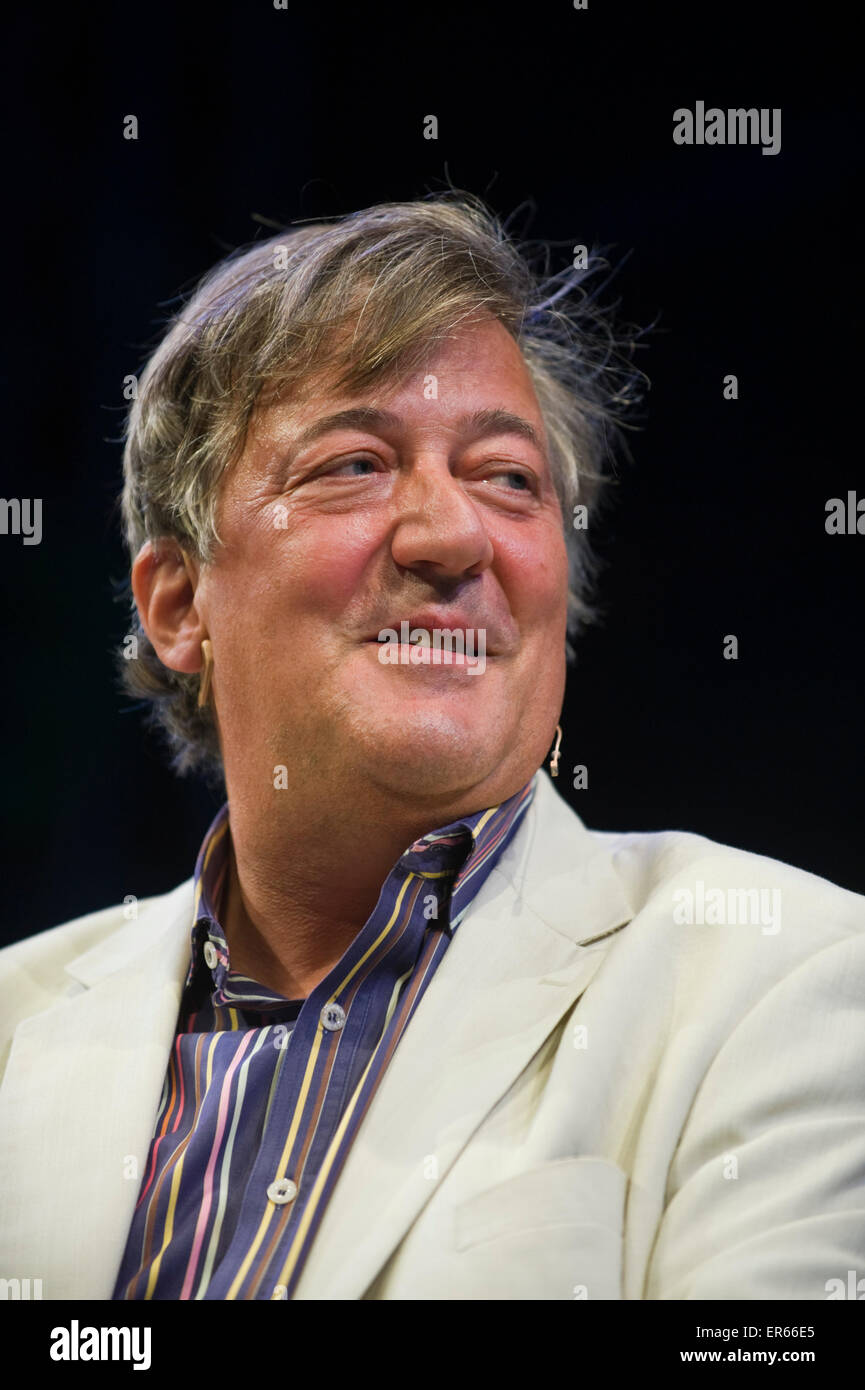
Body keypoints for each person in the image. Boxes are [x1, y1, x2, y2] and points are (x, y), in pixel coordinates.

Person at [1, 195, 862, 1302]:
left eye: (507, 477)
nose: (452, 536)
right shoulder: (16, 1032)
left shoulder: (783, 983)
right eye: (354, 464)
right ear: (178, 606)